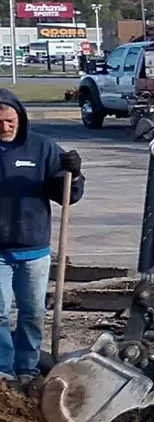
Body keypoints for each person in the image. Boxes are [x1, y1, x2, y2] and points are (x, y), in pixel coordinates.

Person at [0, 90, 82, 385]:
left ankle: (28, 369)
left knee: (32, 312)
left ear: (20, 118)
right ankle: (3, 371)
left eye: (10, 121)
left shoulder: (42, 149)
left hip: (33, 248)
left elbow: (66, 194)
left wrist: (73, 174)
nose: (5, 127)